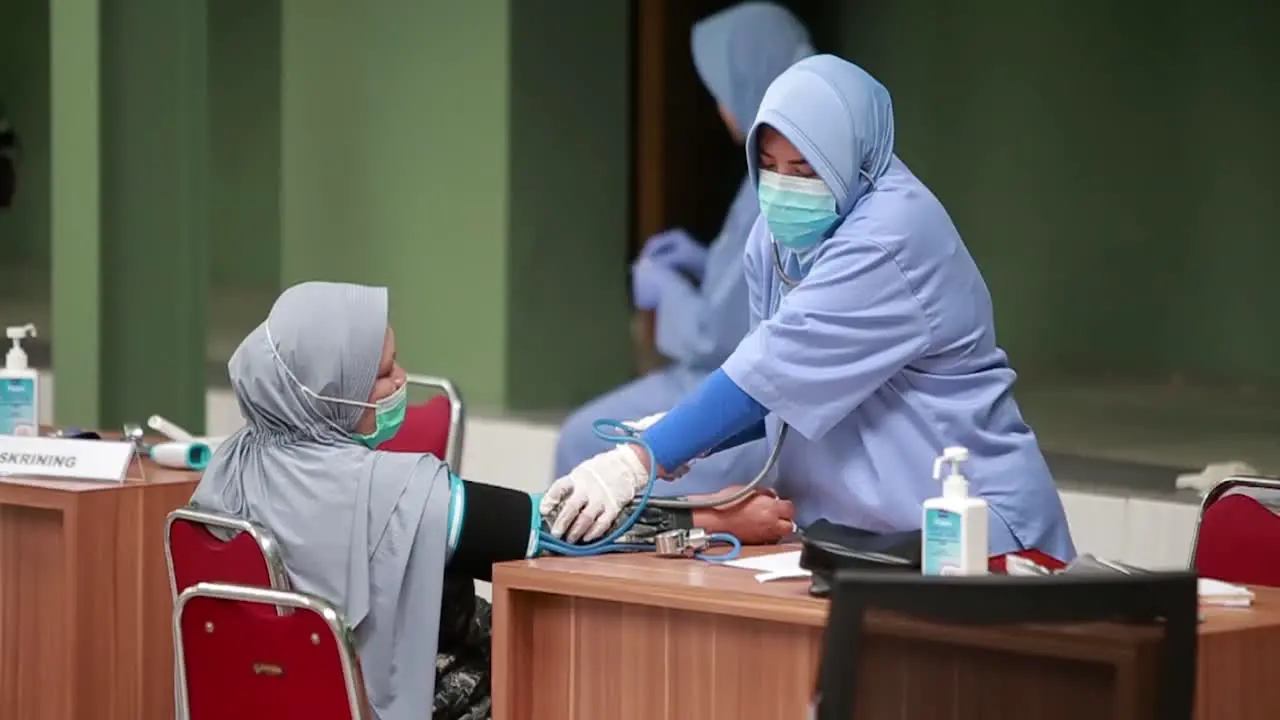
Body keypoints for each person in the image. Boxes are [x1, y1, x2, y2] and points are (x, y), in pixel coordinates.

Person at [543, 55, 1077, 563]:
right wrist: (683, 436)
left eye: (804, 169)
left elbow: (769, 371)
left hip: (977, 539)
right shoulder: (773, 240)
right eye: (769, 167)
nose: (782, 190)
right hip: (864, 541)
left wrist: (639, 462)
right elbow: (784, 394)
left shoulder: (893, 235)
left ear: (855, 159)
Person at [188, 281, 794, 719]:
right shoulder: (392, 496)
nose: (402, 382)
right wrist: (715, 515)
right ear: (328, 391)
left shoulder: (228, 468)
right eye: (383, 373)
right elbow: (558, 530)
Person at [552, 2, 815, 496]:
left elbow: (718, 339)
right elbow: (759, 285)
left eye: (723, 91)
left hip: (745, 397)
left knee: (582, 444)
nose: (720, 107)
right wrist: (707, 263)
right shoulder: (775, 177)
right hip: (736, 384)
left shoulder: (783, 188)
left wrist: (668, 290)